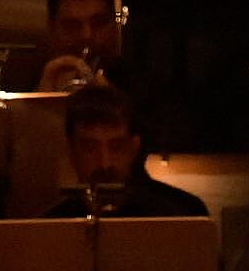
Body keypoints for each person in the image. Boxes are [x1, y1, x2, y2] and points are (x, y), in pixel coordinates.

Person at [45, 86, 208, 221]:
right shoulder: (49, 229)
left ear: (134, 147)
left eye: (116, 147)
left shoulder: (184, 216)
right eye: (90, 148)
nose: (105, 163)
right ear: (71, 152)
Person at [36, 0, 128, 94]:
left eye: (99, 22)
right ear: (52, 29)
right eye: (72, 25)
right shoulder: (29, 82)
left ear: (114, 25)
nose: (87, 35)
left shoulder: (144, 90)